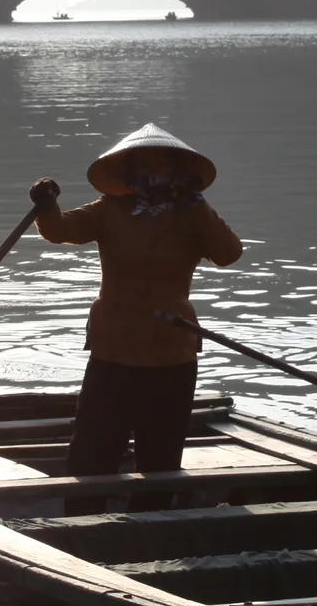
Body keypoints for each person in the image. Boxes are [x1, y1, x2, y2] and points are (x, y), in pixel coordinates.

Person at [31, 124, 242, 475]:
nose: (152, 174)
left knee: (160, 455)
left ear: (178, 173)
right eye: (143, 167)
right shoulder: (110, 209)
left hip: (171, 351)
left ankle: (154, 520)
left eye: (161, 167)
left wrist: (197, 206)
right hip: (113, 349)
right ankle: (85, 521)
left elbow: (230, 253)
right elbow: (59, 230)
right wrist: (47, 205)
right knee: (93, 449)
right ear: (128, 173)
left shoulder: (193, 214)